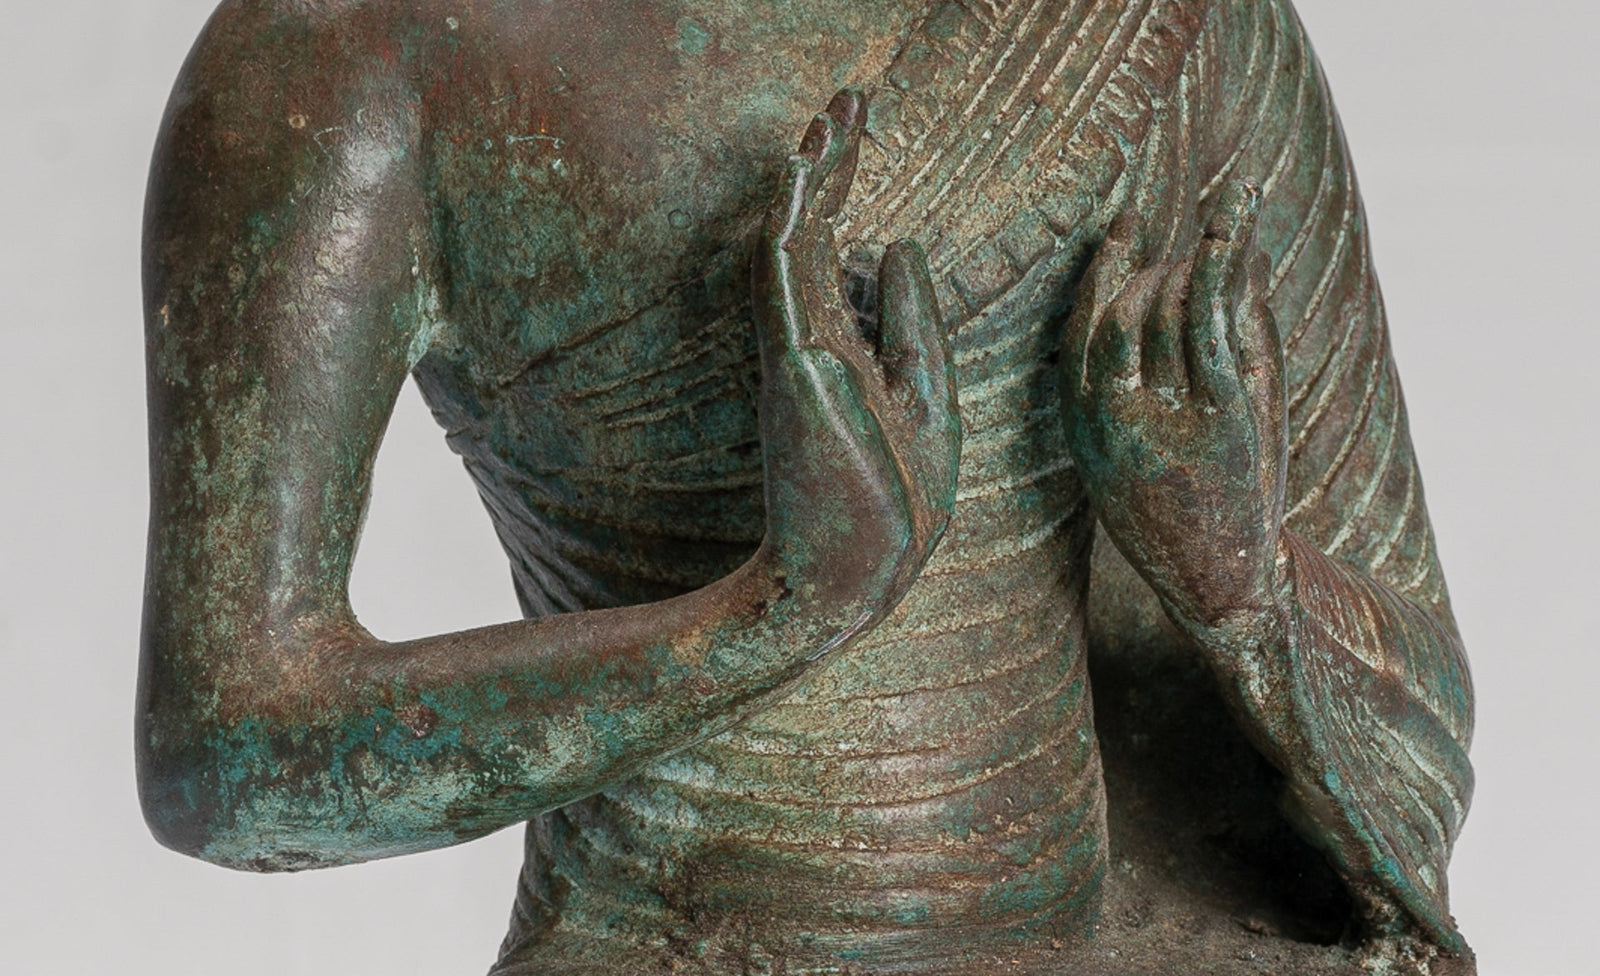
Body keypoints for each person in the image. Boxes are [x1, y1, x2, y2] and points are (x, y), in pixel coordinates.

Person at [137, 1, 1473, 971]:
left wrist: (1241, 584)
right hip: (657, 940)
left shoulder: (1142, 30)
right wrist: (768, 618)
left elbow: (1423, 708)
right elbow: (223, 756)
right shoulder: (351, 55)